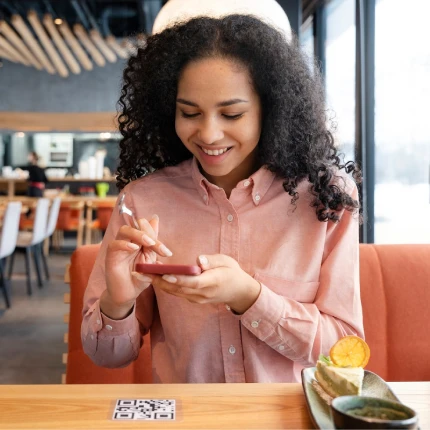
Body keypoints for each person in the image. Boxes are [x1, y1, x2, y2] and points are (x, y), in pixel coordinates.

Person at [81, 15, 364, 383]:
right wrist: (117, 303)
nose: (209, 134)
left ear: (271, 108)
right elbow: (107, 358)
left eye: (232, 113)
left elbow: (345, 350)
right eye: (190, 113)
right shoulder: (143, 200)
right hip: (189, 417)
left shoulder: (327, 197)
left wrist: (249, 296)